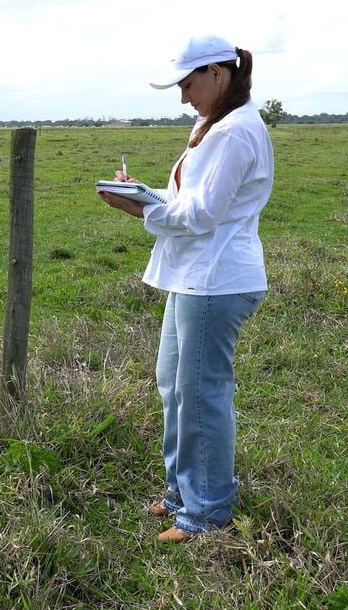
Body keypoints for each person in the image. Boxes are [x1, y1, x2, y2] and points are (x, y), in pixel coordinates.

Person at [99, 34, 274, 543]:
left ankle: (207, 511)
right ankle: (183, 493)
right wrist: (144, 193)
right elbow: (188, 199)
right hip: (197, 276)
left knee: (200, 393)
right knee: (175, 386)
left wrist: (141, 210)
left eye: (187, 85)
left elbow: (201, 214)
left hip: (216, 279)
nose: (183, 97)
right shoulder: (215, 124)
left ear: (216, 75)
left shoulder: (235, 131)